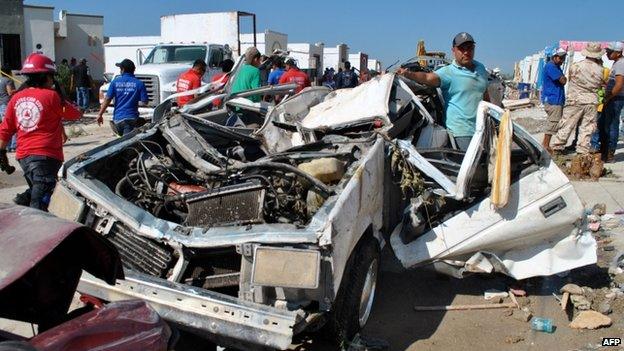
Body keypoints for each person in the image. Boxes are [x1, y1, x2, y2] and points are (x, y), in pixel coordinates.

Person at [0, 53, 82, 210]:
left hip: (24, 157)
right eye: (51, 77)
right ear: (46, 76)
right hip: (45, 157)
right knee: (41, 203)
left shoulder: (16, 98)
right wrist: (63, 96)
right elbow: (74, 114)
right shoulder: (52, 96)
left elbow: (5, 128)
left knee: (40, 188)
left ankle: (21, 202)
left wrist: (2, 151)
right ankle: (33, 228)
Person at [397, 32, 489, 150]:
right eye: (462, 49)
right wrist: (407, 74)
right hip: (461, 132)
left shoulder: (481, 68)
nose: (466, 52)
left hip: (482, 128)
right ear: (454, 50)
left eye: (470, 48)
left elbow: (485, 93)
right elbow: (427, 77)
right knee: (467, 166)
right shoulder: (448, 72)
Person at [551, 43, 605, 155]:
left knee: (567, 124)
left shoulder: (575, 66)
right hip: (591, 101)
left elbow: (570, 80)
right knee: (587, 128)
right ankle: (582, 151)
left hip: (575, 99)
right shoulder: (601, 70)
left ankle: (557, 147)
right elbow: (600, 85)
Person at [589, 42, 624, 162]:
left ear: (618, 53)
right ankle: (604, 151)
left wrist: (608, 97)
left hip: (615, 99)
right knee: (604, 124)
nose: (608, 54)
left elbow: (619, 85)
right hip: (613, 98)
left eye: (610, 52)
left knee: (611, 125)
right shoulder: (617, 63)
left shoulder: (620, 64)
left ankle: (609, 153)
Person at [97, 59, 148, 136]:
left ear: (123, 70)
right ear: (133, 70)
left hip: (118, 120)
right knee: (126, 143)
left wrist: (100, 114)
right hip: (131, 119)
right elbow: (145, 102)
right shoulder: (139, 83)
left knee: (123, 142)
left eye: (120, 69)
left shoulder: (115, 82)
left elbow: (107, 99)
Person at [540, 48, 568, 152]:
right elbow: (563, 80)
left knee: (553, 122)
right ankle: (545, 145)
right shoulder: (551, 67)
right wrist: (564, 78)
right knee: (553, 122)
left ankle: (546, 145)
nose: (562, 60)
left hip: (555, 98)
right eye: (560, 58)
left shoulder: (555, 67)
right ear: (554, 57)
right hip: (553, 99)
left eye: (563, 58)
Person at [0, 66, 16, 151]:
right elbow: (10, 92)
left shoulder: (0, 80)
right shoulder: (8, 80)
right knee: (12, 125)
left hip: (1, 105)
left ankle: (8, 146)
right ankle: (13, 146)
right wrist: (19, 90)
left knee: (5, 126)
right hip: (7, 104)